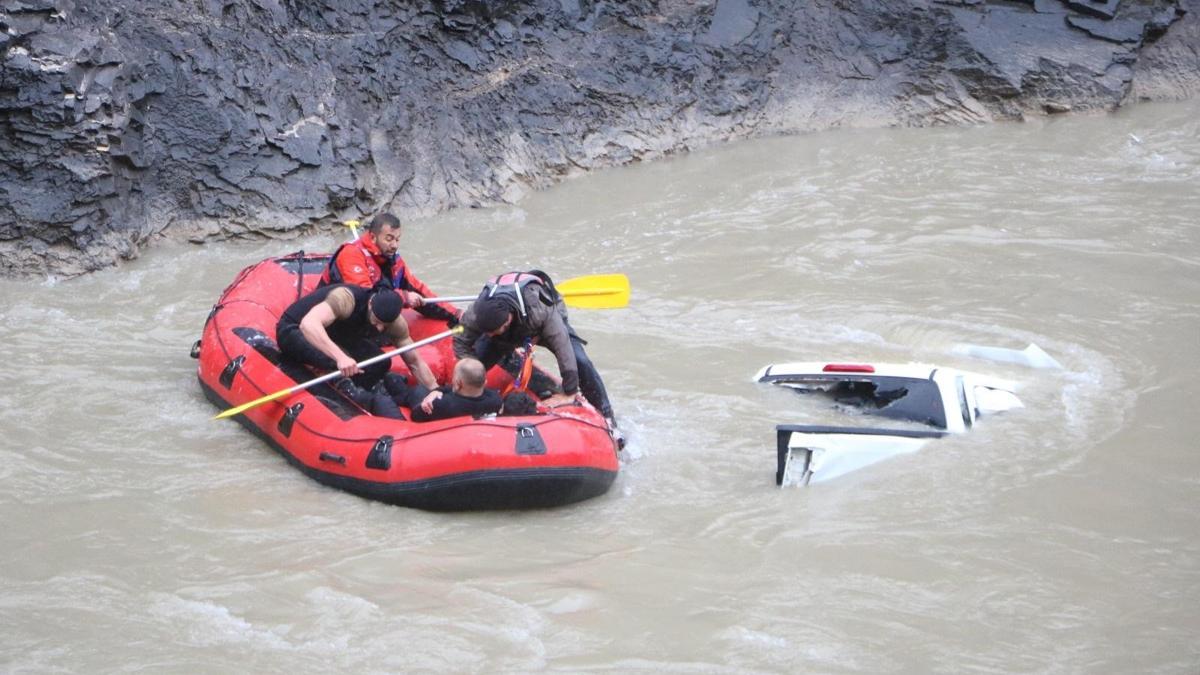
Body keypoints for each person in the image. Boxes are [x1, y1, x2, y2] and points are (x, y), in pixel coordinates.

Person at [454, 271, 623, 446]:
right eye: (488, 332)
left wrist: (570, 392)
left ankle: (609, 419)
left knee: (581, 361)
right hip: (504, 336)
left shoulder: (540, 311)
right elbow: (459, 341)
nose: (490, 334)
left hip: (542, 324)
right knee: (473, 368)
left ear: (509, 319)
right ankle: (473, 397)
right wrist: (471, 367)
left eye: (496, 330)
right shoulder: (475, 315)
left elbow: (563, 347)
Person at [276, 284, 438, 408]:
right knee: (335, 361)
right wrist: (340, 358)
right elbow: (309, 324)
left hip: (337, 334)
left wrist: (435, 390)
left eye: (385, 325)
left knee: (381, 363)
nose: (380, 329)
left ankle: (367, 390)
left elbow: (414, 361)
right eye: (377, 322)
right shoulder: (345, 299)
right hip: (295, 329)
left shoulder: (395, 323)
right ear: (370, 306)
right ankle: (343, 394)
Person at [319, 212, 460, 327]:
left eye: (397, 239)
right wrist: (404, 297)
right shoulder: (351, 254)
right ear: (373, 237)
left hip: (368, 310)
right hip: (338, 315)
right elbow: (363, 297)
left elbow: (418, 290)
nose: (394, 245)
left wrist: (456, 314)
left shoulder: (393, 258)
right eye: (389, 239)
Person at [384, 358, 501, 422]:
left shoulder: (442, 404)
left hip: (420, 409)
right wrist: (437, 391)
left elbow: (416, 416)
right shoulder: (495, 401)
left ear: (458, 383)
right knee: (422, 391)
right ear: (484, 382)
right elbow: (454, 390)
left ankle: (390, 384)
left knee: (417, 391)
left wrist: (430, 396)